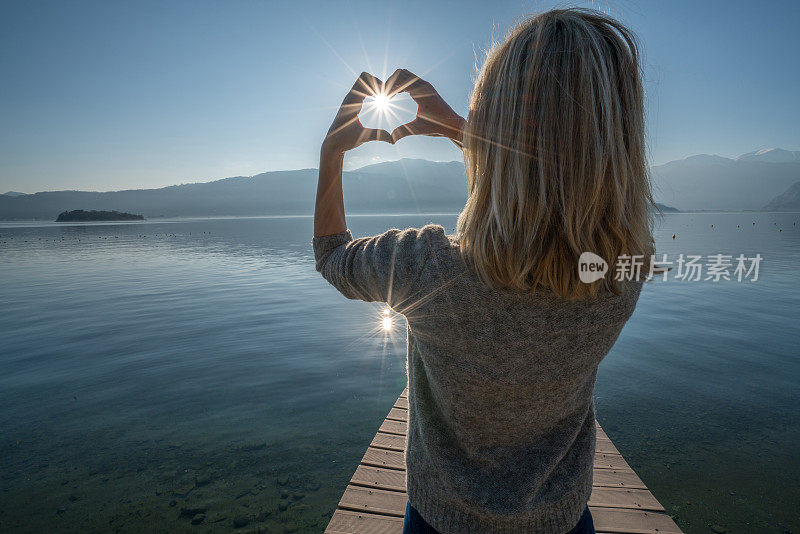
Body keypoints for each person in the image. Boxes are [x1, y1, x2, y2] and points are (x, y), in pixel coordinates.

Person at [312, 8, 655, 534]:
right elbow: (561, 183)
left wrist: (331, 154)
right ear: (622, 142)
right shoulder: (624, 273)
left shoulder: (424, 269)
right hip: (561, 521)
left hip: (441, 521)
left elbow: (333, 256)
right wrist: (463, 131)